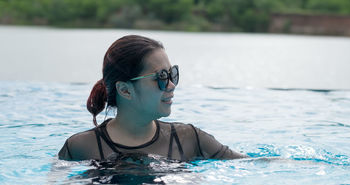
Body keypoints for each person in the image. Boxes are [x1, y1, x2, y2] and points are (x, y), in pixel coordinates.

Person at [58, 35, 246, 162]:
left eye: (173, 74)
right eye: (161, 77)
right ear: (125, 90)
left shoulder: (190, 139)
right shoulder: (81, 147)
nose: (171, 85)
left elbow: (254, 164)